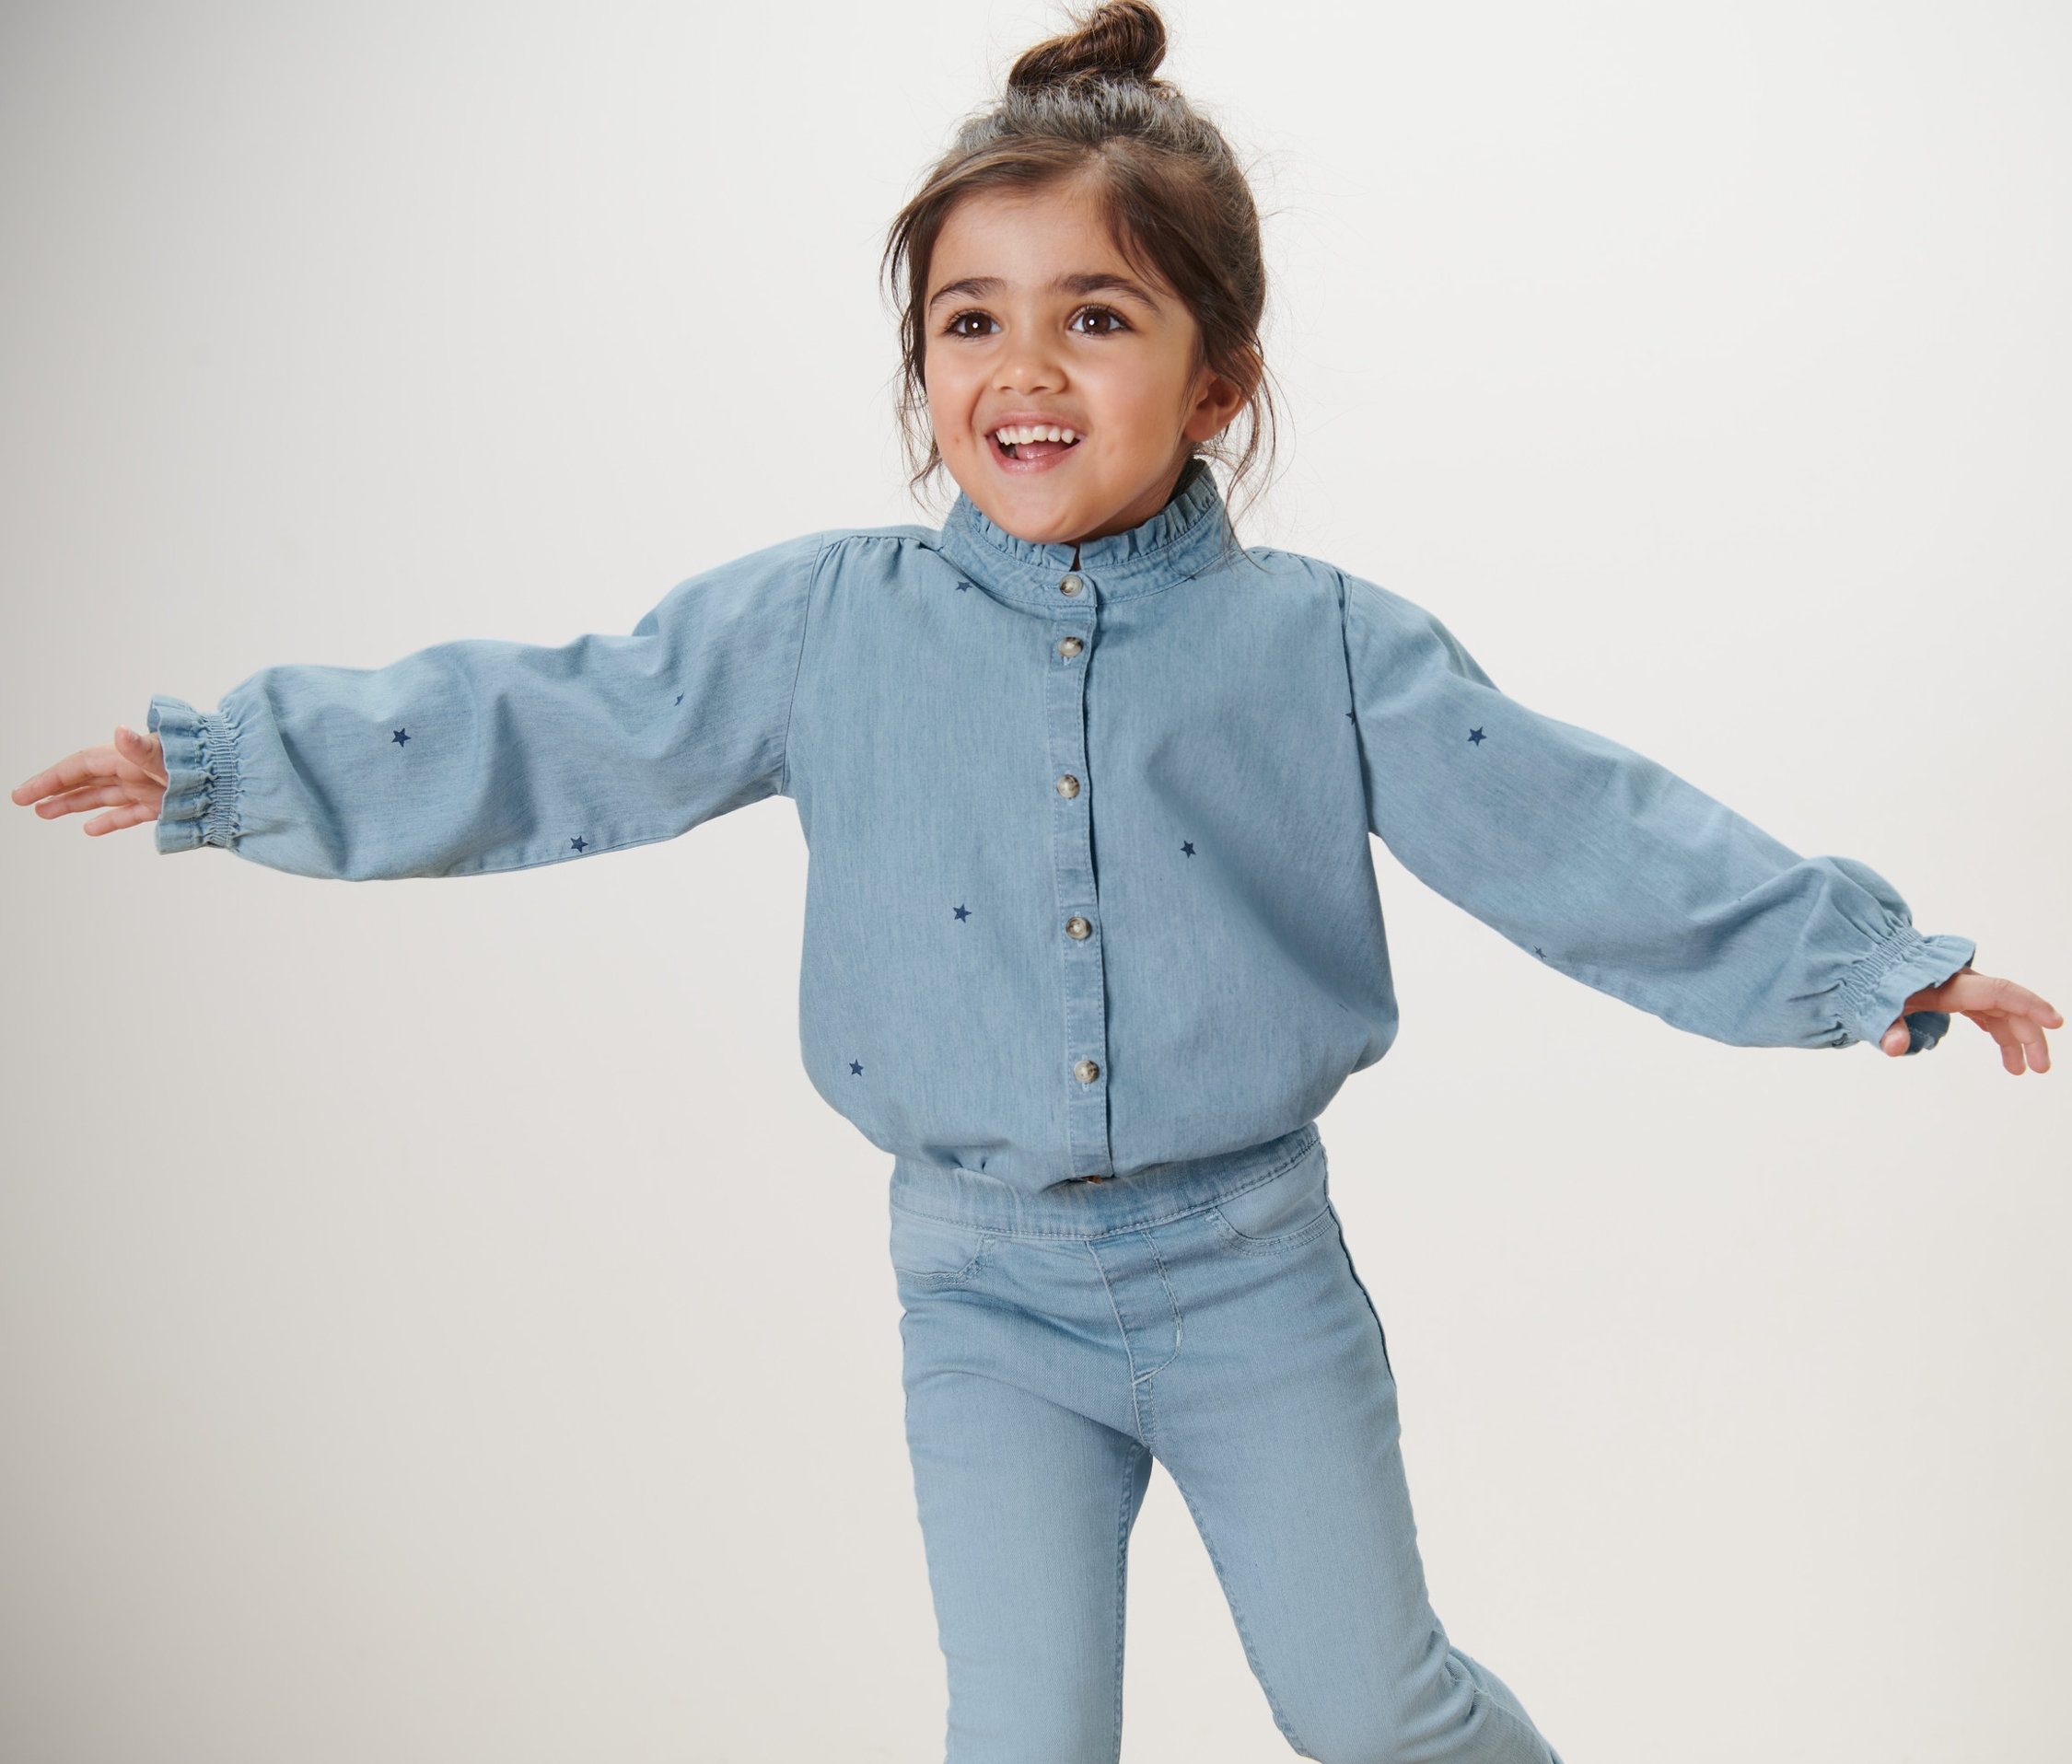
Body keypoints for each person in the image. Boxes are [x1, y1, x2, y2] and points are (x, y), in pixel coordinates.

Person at [11, 5, 2058, 1760]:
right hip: (976, 1294)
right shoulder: (824, 624)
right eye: (970, 321)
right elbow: (564, 718)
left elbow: (1579, 825)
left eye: (1097, 318)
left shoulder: (1326, 648)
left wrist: (1865, 964)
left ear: (1217, 380)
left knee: (1373, 1712)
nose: (1025, 368)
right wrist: (239, 764)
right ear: (921, 362)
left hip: (1251, 1274)